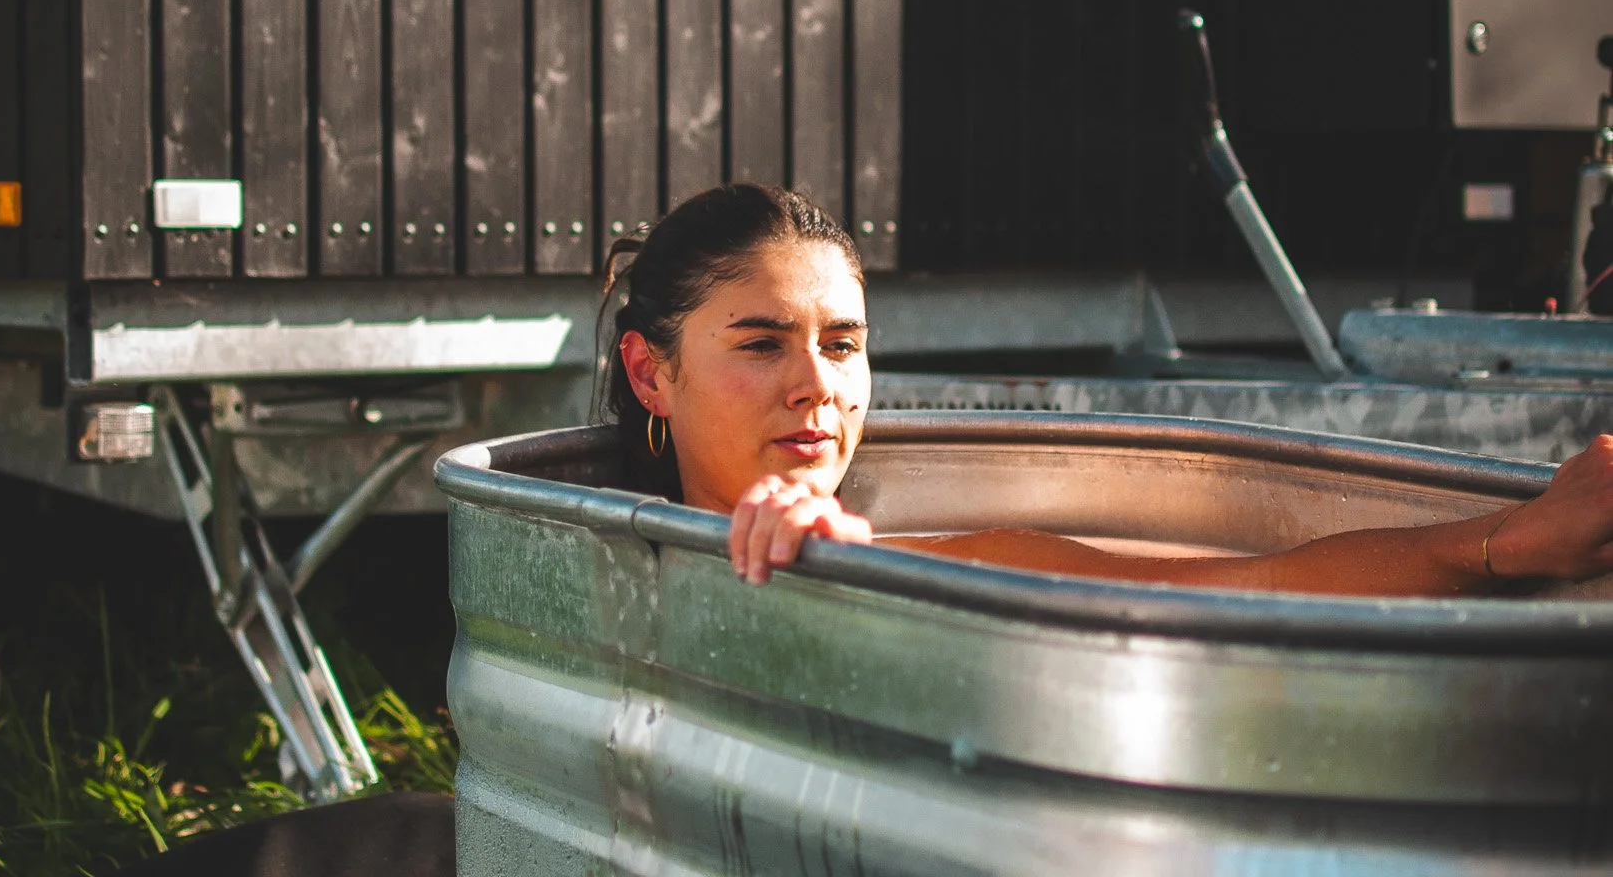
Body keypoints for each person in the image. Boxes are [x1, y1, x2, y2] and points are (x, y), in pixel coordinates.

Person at [606, 182, 1613, 597]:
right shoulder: (582, 545)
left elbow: (1236, 589)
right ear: (652, 370)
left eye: (842, 342)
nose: (816, 385)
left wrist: (1499, 541)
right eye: (762, 342)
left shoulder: (928, 567)